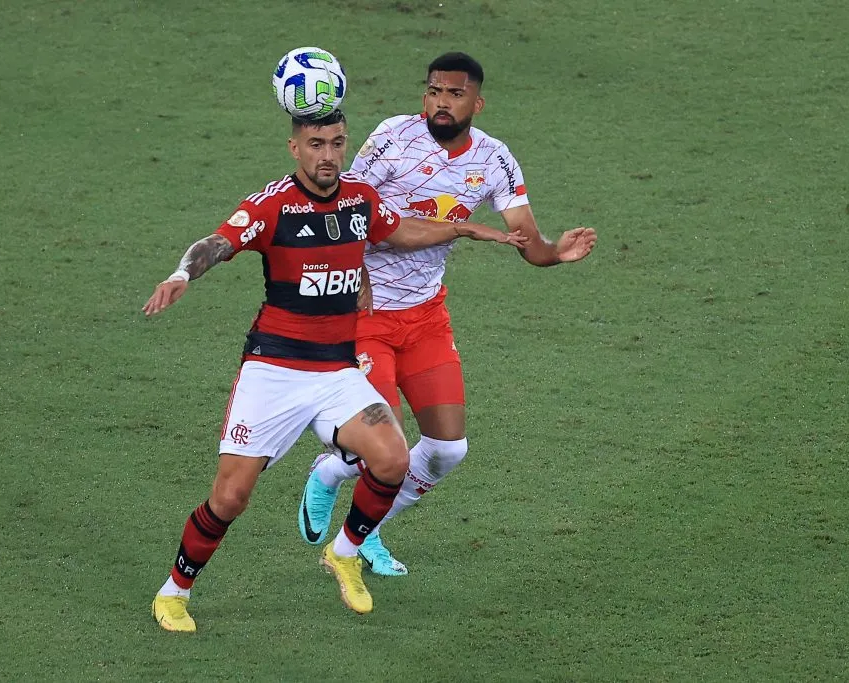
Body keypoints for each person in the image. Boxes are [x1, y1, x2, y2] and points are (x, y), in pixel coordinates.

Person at [143, 109, 526, 632]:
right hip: (273, 372)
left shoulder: (359, 200)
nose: (328, 155)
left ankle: (346, 551)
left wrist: (465, 229)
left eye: (336, 143)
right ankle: (173, 593)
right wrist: (182, 273)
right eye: (316, 144)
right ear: (294, 148)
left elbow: (401, 230)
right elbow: (217, 242)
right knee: (230, 497)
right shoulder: (273, 205)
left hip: (336, 373)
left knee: (391, 459)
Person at [298, 53, 599, 576]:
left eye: (454, 94)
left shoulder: (495, 159)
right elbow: (344, 205)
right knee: (380, 445)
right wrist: (359, 277)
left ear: (476, 103)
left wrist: (554, 252)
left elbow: (524, 236)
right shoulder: (394, 137)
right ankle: (330, 476)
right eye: (434, 90)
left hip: (426, 317)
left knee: (447, 450)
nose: (441, 101)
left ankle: (366, 527)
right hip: (365, 313)